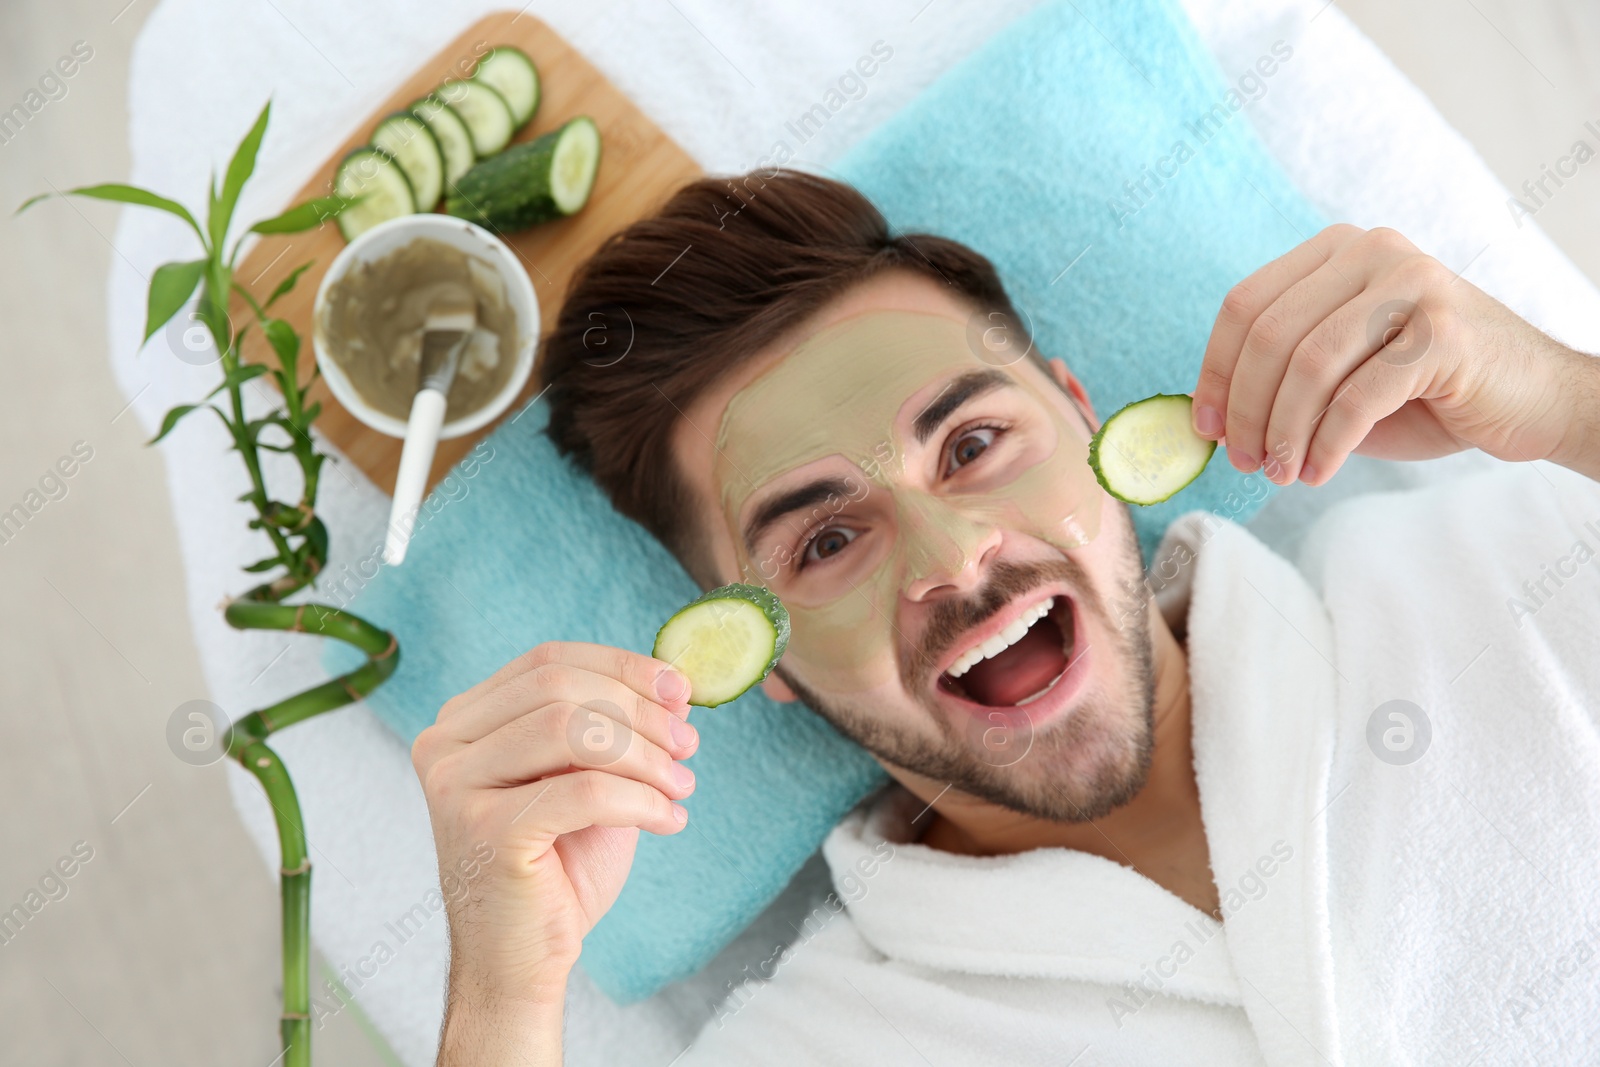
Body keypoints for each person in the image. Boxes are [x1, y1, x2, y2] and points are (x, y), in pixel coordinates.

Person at [408, 171, 1600, 1065]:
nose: (952, 556)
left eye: (973, 445)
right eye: (825, 540)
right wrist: (502, 1000)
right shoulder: (824, 1041)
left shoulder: (1505, 568)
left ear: (1083, 418)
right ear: (753, 651)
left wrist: (1566, 400)